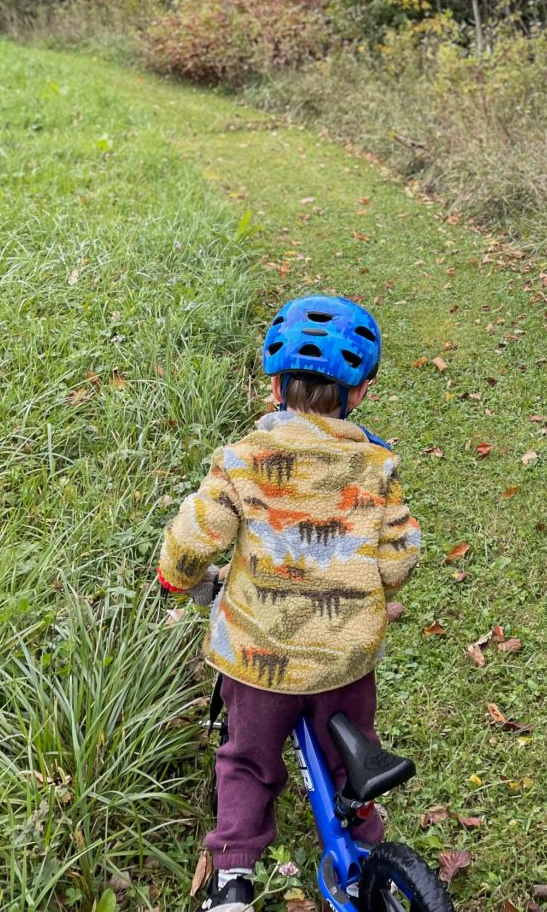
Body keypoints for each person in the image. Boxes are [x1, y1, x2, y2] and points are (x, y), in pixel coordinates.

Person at [157, 295, 420, 910]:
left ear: (273, 385)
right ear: (360, 395)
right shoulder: (378, 467)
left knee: (247, 760)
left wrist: (178, 577)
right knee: (345, 761)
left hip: (257, 654)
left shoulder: (243, 461)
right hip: (342, 658)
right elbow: (400, 555)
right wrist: (372, 589)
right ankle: (364, 860)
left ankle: (233, 880)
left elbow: (195, 538)